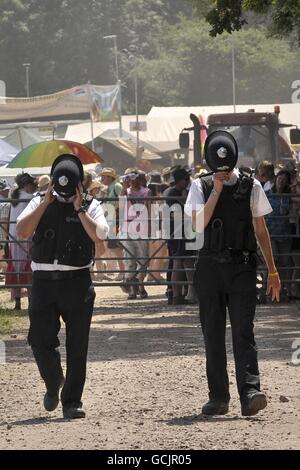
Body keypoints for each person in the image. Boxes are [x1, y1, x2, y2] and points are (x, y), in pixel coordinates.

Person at [185, 132, 281, 417]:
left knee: (243, 329)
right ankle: (218, 397)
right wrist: (215, 190)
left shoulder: (250, 186)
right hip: (210, 267)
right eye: (218, 165)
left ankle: (250, 392)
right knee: (212, 333)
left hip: (242, 266)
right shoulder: (199, 186)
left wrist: (273, 270)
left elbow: (261, 231)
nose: (223, 170)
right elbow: (198, 225)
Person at [16, 154, 109, 419]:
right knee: (39, 339)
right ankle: (54, 380)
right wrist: (44, 203)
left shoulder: (90, 205)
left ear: (80, 183)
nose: (63, 189)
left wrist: (80, 209)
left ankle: (72, 401)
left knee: (78, 344)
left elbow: (100, 235)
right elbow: (22, 231)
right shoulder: (38, 201)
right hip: (44, 282)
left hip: (77, 282)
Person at [163, 167, 196, 305]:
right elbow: (174, 214)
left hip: (179, 231)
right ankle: (178, 295)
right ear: (181, 180)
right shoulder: (173, 194)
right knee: (179, 261)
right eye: (186, 179)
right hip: (177, 232)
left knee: (186, 261)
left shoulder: (177, 193)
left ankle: (188, 293)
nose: (188, 182)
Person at [5, 173, 36, 310]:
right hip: (27, 235)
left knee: (16, 267)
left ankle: (17, 302)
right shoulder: (30, 198)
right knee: (28, 266)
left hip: (13, 237)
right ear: (27, 185)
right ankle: (30, 301)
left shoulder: (14, 197)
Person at [120, 169, 151, 299]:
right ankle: (133, 290)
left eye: (134, 178)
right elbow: (120, 204)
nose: (132, 181)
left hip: (142, 228)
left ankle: (140, 285)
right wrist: (124, 187)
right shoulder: (126, 192)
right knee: (129, 260)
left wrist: (150, 229)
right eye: (129, 178)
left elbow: (149, 210)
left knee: (142, 260)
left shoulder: (146, 192)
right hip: (128, 229)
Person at [265, 169, 293, 299]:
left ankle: (284, 290)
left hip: (284, 234)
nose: (281, 182)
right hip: (270, 233)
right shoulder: (267, 194)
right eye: (280, 179)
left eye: (284, 180)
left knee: (284, 261)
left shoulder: (289, 196)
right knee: (273, 262)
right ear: (276, 179)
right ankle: (270, 291)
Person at [99, 168, 125, 281]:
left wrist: (114, 211)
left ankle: (124, 271)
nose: (102, 178)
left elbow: (123, 201)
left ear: (110, 177)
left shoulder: (117, 186)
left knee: (116, 246)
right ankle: (123, 271)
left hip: (117, 220)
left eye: (104, 176)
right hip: (113, 220)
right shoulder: (111, 187)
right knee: (114, 246)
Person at [0, 179, 10, 275]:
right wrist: (6, 239)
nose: (8, 191)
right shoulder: (6, 204)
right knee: (3, 258)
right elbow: (4, 221)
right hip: (1, 236)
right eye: (6, 190)